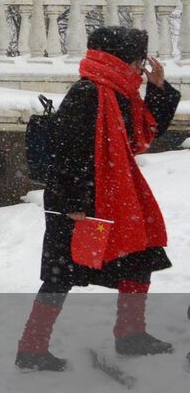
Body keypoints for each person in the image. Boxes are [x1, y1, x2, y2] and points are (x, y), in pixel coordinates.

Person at [16, 26, 180, 370]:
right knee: (61, 273)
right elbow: (68, 152)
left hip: (115, 198)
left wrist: (159, 89)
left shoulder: (119, 93)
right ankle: (32, 348)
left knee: (141, 254)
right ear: (120, 60)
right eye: (137, 61)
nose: (140, 69)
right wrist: (76, 204)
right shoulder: (89, 93)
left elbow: (144, 133)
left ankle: (131, 334)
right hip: (79, 203)